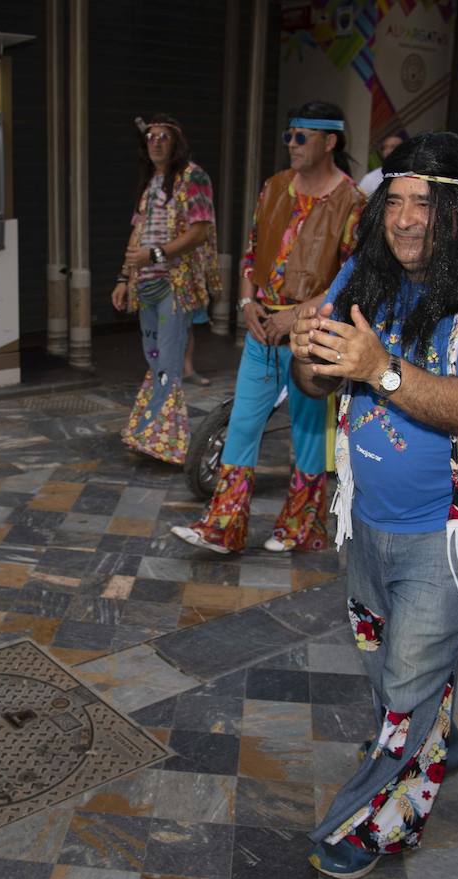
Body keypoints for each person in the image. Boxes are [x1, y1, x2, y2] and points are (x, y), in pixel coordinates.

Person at [288, 131, 458, 878]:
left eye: (422, 204)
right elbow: (314, 383)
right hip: (366, 516)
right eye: (392, 201)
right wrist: (305, 353)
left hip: (448, 532)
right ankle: (437, 736)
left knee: (404, 686)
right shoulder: (366, 270)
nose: (402, 219)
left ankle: (376, 824)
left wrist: (382, 370)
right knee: (384, 661)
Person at [170, 100, 364, 554]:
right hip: (263, 328)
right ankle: (223, 527)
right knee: (242, 423)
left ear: (329, 141)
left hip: (313, 334)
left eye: (301, 136)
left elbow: (350, 280)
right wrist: (246, 303)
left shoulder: (353, 202)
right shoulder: (274, 187)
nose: (291, 144)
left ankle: (301, 529)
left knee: (308, 434)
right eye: (288, 135)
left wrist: (293, 318)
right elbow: (253, 252)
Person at [113, 114, 220, 464]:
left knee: (169, 363)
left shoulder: (193, 177)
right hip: (145, 284)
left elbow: (200, 231)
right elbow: (137, 233)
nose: (156, 142)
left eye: (163, 137)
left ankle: (164, 440)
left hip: (176, 283)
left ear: (176, 143)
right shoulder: (150, 183)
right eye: (151, 137)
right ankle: (150, 431)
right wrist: (124, 278)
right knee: (156, 359)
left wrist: (155, 254)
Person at [357, 134, 404, 198]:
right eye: (384, 148)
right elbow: (359, 200)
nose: (387, 151)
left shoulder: (413, 174)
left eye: (393, 147)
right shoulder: (370, 178)